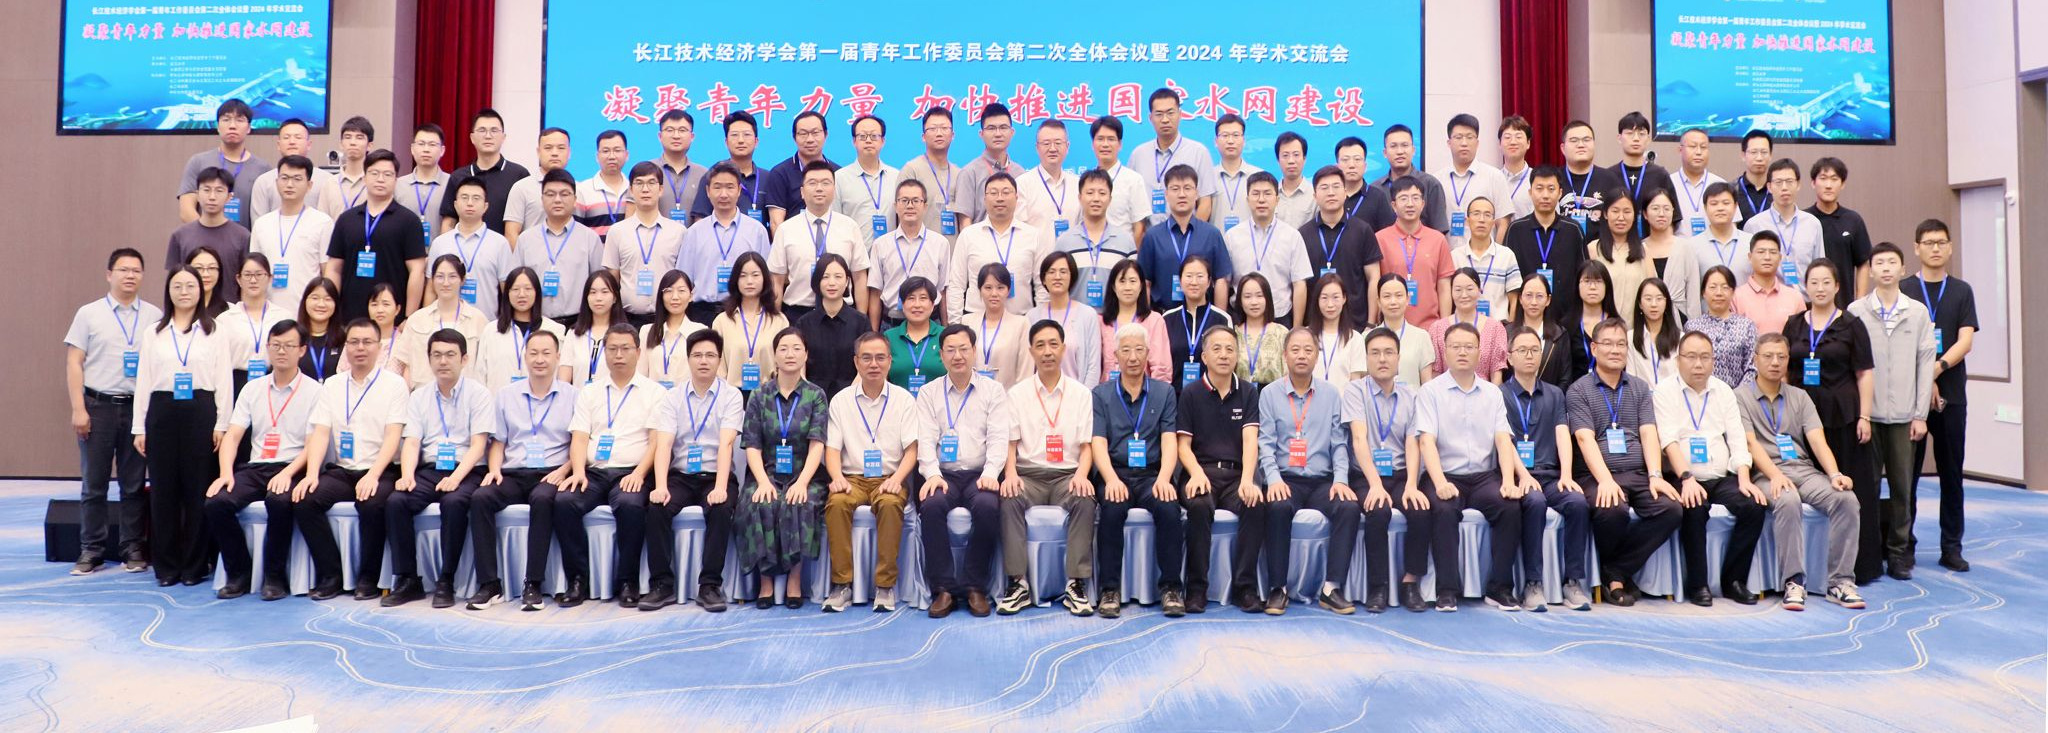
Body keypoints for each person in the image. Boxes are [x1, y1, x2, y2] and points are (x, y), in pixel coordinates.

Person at [1737, 334, 1866, 610]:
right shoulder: (1741, 397)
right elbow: (1750, 444)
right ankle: (1794, 581)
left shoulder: (1800, 396)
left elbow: (1818, 440)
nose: (1775, 362)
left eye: (1781, 357)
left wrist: (1834, 475)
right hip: (1766, 473)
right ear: (1755, 359)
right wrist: (1775, 475)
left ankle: (1840, 582)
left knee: (1846, 499)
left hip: (1803, 470)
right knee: (1788, 499)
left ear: (1788, 360)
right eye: (1768, 356)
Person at [1569, 318, 1682, 606]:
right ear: (1594, 348)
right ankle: (1616, 578)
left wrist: (1655, 475)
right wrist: (1606, 480)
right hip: (1597, 476)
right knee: (1612, 509)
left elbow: (1648, 432)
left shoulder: (1640, 388)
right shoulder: (1579, 390)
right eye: (1608, 343)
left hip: (1637, 472)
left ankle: (1615, 569)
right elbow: (1584, 439)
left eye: (1621, 344)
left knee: (1670, 509)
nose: (1615, 350)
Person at [293, 318, 409, 600]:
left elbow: (394, 435)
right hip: (343, 470)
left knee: (372, 503)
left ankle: (368, 579)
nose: (360, 348)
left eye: (367, 342)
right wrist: (311, 474)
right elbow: (321, 433)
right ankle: (331, 575)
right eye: (354, 342)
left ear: (379, 347)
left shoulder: (394, 385)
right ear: (346, 347)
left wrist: (373, 475)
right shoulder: (333, 385)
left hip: (381, 470)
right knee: (306, 500)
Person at [132, 267, 233, 587]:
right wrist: (139, 427)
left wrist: (222, 422)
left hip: (201, 411)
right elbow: (143, 380)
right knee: (163, 492)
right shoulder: (154, 332)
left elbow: (224, 380)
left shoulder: (214, 330)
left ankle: (194, 566)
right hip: (162, 411)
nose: (184, 291)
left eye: (191, 285)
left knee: (196, 490)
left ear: (200, 291)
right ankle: (166, 566)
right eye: (178, 286)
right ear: (168, 291)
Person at [1780, 261, 1880, 583]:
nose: (1820, 288)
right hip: (1800, 420)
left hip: (1843, 418)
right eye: (1814, 282)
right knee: (1806, 491)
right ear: (1806, 286)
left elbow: (1864, 373)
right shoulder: (1794, 324)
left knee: (1849, 489)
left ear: (1837, 286)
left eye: (1827, 282)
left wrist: (1865, 416)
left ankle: (1859, 566)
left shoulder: (1852, 325)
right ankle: (1809, 567)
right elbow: (1784, 371)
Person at [1415, 323, 1527, 611]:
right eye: (1456, 347)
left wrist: (1508, 480)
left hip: (1482, 476)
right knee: (1443, 509)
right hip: (1444, 473)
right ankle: (1446, 590)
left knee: (1509, 506)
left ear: (1480, 352)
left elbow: (1503, 439)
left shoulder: (1492, 393)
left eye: (1469, 347)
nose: (1462, 352)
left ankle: (1499, 588)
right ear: (1444, 351)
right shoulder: (1430, 392)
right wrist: (1440, 483)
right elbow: (1426, 441)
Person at [65, 249, 162, 575]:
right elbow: (74, 362)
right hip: (98, 406)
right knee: (94, 484)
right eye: (123, 269)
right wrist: (78, 408)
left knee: (133, 484)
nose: (130, 275)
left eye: (136, 270)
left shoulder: (153, 316)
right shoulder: (89, 314)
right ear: (109, 274)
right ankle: (91, 549)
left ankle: (132, 547)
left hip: (137, 408)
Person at [382, 329, 495, 608]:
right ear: (429, 359)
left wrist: (455, 478)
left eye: (450, 355)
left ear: (464, 359)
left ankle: (446, 580)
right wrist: (407, 475)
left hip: (467, 470)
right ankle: (408, 579)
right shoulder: (419, 396)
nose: (443, 361)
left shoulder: (479, 394)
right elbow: (412, 442)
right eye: (437, 355)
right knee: (397, 501)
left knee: (454, 502)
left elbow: (479, 445)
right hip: (430, 469)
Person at [204, 320, 316, 599]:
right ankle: (239, 572)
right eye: (276, 345)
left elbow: (313, 445)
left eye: (289, 345)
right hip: (257, 467)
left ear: (302, 350)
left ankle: (274, 577)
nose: (282, 351)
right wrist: (226, 473)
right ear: (267, 347)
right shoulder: (253, 389)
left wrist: (288, 473)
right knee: (216, 502)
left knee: (279, 501)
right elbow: (233, 436)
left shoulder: (315, 391)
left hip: (293, 466)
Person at [557, 324, 666, 606]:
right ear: (604, 352)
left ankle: (627, 581)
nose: (618, 355)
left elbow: (656, 441)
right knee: (564, 501)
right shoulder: (590, 392)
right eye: (612, 349)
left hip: (632, 471)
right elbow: (580, 437)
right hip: (594, 472)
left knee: (630, 505)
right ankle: (577, 580)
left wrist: (640, 473)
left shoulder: (654, 392)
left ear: (638, 352)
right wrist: (578, 472)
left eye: (625, 348)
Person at [1656, 331, 1767, 606]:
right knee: (1694, 506)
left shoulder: (1723, 390)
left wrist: (1744, 477)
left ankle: (1734, 581)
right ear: (1678, 360)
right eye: (1691, 357)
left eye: (1705, 357)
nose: (1698, 364)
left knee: (1754, 505)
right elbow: (1668, 440)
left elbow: (1738, 438)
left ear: (1713, 360)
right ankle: (1698, 585)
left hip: (1720, 476)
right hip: (1683, 475)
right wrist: (1686, 478)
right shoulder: (1665, 390)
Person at [470, 329, 577, 611]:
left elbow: (580, 444)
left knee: (542, 499)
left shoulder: (573, 395)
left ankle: (534, 583)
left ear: (557, 357)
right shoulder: (506, 395)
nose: (540, 359)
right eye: (534, 353)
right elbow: (499, 442)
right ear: (524, 356)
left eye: (546, 353)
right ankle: (489, 584)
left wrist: (565, 469)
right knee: (480, 498)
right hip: (513, 472)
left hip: (552, 471)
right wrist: (494, 470)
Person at [1257, 327, 1363, 613]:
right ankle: (1278, 588)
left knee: (1349, 507)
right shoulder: (1269, 394)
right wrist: (1273, 479)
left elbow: (1339, 444)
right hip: (1285, 478)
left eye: (1308, 350)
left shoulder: (1331, 394)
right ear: (1285, 355)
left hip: (1321, 481)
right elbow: (1265, 444)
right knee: (1277, 506)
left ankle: (1331, 588)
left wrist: (1341, 480)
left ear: (1317, 356)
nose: (1301, 355)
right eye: (1295, 350)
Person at [1848, 243, 1937, 581]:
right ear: (1870, 270)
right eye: (1879, 263)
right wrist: (1860, 414)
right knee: (1867, 488)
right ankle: (1869, 553)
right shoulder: (1856, 311)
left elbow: (1925, 365)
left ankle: (1899, 552)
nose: (1885, 268)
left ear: (1902, 269)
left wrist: (1920, 414)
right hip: (1868, 417)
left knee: (1902, 488)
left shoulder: (1917, 312)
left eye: (1892, 262)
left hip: (1904, 416)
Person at [1000, 321, 1100, 615]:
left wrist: (1082, 475)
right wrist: (1010, 474)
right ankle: (1018, 583)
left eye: (1053, 344)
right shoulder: (1017, 394)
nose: (1047, 352)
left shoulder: (1081, 393)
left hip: (1067, 475)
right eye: (1040, 345)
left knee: (1085, 498)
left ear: (1064, 349)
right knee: (1008, 497)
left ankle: (1076, 584)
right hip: (1028, 475)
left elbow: (1086, 446)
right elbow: (1011, 443)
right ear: (1031, 351)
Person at [640, 330, 744, 612]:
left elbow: (727, 444)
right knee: (656, 507)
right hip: (681, 476)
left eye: (710, 355)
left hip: (716, 475)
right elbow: (664, 444)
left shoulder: (731, 396)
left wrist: (720, 487)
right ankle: (662, 585)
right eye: (697, 355)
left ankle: (709, 586)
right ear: (688, 359)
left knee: (721, 509)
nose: (703, 361)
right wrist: (660, 486)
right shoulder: (672, 397)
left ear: (719, 359)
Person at [911, 325, 1010, 618]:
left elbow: (998, 437)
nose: (958, 356)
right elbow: (925, 439)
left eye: (964, 349)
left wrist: (991, 472)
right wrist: (931, 474)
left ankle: (975, 586)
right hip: (944, 474)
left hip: (981, 472)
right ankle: (943, 588)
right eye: (951, 350)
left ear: (974, 351)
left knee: (988, 506)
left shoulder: (993, 390)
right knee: (932, 506)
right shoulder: (928, 392)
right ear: (941, 355)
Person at [1091, 324, 1189, 618]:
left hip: (1151, 475)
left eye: (1138, 350)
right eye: (1126, 350)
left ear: (1147, 353)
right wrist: (1110, 479)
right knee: (1111, 510)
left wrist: (1164, 479)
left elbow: (1169, 440)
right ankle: (1109, 590)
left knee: (1169, 508)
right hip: (1116, 472)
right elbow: (1098, 443)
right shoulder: (1101, 394)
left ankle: (1171, 588)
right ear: (1115, 355)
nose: (1132, 357)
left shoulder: (1164, 392)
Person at [820, 332, 917, 613]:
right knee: (837, 503)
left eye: (880, 358)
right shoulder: (841, 401)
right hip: (851, 479)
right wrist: (836, 478)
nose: (873, 364)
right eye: (866, 358)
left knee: (889, 504)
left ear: (890, 361)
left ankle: (885, 586)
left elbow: (912, 450)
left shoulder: (903, 399)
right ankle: (842, 585)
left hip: (889, 477)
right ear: (856, 362)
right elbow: (832, 449)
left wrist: (897, 480)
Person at [1901, 220, 1977, 572]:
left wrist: (1935, 369)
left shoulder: (1961, 291)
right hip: (1908, 397)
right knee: (1906, 476)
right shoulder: (1904, 290)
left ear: (1950, 247)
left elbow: (1965, 341)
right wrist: (1923, 377)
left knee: (1951, 473)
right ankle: (1904, 546)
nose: (1935, 248)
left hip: (1951, 394)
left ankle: (1951, 546)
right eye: (1928, 242)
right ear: (1916, 247)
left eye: (1941, 242)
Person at [737, 329, 830, 608]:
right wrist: (763, 481)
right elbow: (752, 445)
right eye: (784, 349)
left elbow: (817, 444)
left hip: (805, 474)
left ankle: (794, 579)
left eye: (796, 348)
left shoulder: (816, 395)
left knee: (801, 502)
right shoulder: (759, 395)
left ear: (806, 355)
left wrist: (802, 482)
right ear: (775, 356)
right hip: (766, 472)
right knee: (759, 502)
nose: (790, 354)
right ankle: (765, 582)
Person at [1503, 326, 1593, 610]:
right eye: (1522, 350)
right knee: (1535, 502)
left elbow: (1562, 433)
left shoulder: (1555, 394)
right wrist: (1523, 475)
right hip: (1519, 476)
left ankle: (1573, 582)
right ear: (1509, 357)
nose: (1529, 356)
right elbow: (1504, 441)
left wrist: (1566, 474)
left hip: (1551, 475)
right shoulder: (1500, 395)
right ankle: (1533, 583)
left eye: (1534, 350)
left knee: (1577, 502)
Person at [1176, 324, 1263, 614]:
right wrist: (1196, 473)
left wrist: (1248, 479)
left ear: (1237, 355)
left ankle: (1245, 588)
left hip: (1237, 474)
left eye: (1230, 349)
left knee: (1255, 503)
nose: (1224, 355)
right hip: (1201, 471)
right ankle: (1196, 589)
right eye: (1217, 349)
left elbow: (1250, 440)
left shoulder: (1248, 392)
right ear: (1204, 356)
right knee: (1199, 505)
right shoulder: (1190, 393)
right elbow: (1183, 445)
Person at [1341, 327, 1416, 612]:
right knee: (1378, 510)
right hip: (1365, 475)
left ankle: (1410, 583)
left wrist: (1412, 484)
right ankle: (1378, 587)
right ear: (1366, 358)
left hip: (1400, 473)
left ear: (1398, 358)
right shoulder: (1355, 391)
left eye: (1388, 353)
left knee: (1420, 508)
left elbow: (1413, 443)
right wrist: (1375, 484)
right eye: (1375, 353)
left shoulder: (1411, 395)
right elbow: (1358, 439)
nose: (1382, 359)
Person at [325, 149, 428, 321]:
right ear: (364, 178)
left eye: (387, 174)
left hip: (393, 318)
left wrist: (409, 317)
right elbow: (334, 268)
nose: (380, 179)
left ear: (396, 180)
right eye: (374, 173)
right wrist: (332, 311)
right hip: (349, 316)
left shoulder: (409, 221)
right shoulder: (346, 219)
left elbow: (417, 271)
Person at [771, 160, 871, 322]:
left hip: (842, 315)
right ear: (802, 192)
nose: (819, 188)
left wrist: (861, 320)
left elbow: (859, 277)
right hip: (798, 314)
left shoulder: (849, 226)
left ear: (834, 190)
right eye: (812, 183)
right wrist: (775, 323)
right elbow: (777, 280)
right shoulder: (786, 229)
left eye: (825, 183)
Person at [678, 163, 773, 325]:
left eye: (730, 187)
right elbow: (684, 278)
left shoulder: (757, 231)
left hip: (744, 312)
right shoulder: (694, 232)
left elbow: (766, 278)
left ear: (739, 190)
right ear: (708, 191)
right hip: (702, 314)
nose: (723, 194)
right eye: (717, 187)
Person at [948, 173, 1045, 321]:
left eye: (1006, 192)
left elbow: (1041, 285)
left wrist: (1041, 322)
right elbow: (956, 284)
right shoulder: (968, 235)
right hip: (976, 321)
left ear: (1016, 197)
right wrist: (956, 323)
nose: (1000, 198)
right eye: (993, 193)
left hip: (1021, 320)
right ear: (984, 199)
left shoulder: (1033, 235)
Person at [514, 169, 606, 323]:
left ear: (575, 199)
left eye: (564, 194)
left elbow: (600, 284)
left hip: (578, 323)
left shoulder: (590, 238)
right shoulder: (525, 240)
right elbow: (515, 284)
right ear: (542, 199)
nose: (557, 200)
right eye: (550, 194)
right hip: (537, 322)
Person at [1301, 164, 1386, 326]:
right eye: (1324, 188)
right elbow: (1300, 283)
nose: (1331, 192)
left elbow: (1374, 277)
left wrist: (1370, 323)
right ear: (1315, 196)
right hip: (1314, 326)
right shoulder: (1303, 234)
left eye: (1336, 186)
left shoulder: (1363, 230)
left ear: (1345, 192)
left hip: (1356, 324)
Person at [251, 155, 337, 314]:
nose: (289, 184)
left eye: (297, 179)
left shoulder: (322, 223)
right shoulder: (262, 224)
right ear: (276, 182)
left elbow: (327, 272)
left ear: (309, 185)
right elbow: (254, 271)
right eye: (284, 178)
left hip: (307, 313)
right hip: (268, 314)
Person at [603, 162, 686, 326]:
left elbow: (683, 279)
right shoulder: (617, 231)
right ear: (631, 190)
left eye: (651, 183)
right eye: (639, 183)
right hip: (628, 320)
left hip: (668, 319)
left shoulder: (678, 232)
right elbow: (612, 279)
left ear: (660, 190)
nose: (645, 189)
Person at [1224, 172, 1312, 325]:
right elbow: (1224, 282)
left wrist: (1296, 327)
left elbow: (1299, 284)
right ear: (1247, 200)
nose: (1261, 199)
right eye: (1256, 194)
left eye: (1267, 193)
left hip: (1280, 317)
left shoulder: (1292, 236)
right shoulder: (1232, 236)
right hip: (1241, 318)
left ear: (1277, 199)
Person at [1503, 167, 1590, 317]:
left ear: (1560, 193)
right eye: (1539, 189)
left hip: (1566, 318)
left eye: (1551, 189)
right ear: (1530, 192)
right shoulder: (1516, 230)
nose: (1545, 195)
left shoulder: (1573, 229)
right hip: (1525, 318)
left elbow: (1584, 274)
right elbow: (1508, 278)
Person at [395, 256, 491, 389]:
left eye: (452, 276)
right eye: (440, 277)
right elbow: (406, 365)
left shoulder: (478, 319)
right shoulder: (416, 319)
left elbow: (486, 366)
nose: (446, 283)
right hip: (424, 394)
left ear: (462, 280)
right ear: (432, 280)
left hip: (466, 396)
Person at [428, 177, 515, 317]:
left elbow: (507, 289)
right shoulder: (440, 243)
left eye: (476, 198)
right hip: (445, 324)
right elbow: (431, 289)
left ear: (485, 206)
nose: (470, 203)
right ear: (455, 205)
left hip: (485, 324)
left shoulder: (499, 243)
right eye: (464, 198)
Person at [870, 179, 951, 327]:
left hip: (930, 323)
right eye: (904, 200)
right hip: (892, 323)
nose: (910, 206)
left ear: (925, 206)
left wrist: (946, 330)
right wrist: (874, 334)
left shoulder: (940, 243)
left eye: (916, 201)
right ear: (895, 206)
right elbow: (876, 293)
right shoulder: (880, 244)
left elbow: (943, 291)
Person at [1377, 177, 1456, 328]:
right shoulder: (1380, 239)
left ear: (1423, 204)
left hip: (1430, 327)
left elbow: (1444, 287)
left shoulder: (1438, 239)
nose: (1410, 204)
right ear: (1393, 205)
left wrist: (1444, 326)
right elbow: (1375, 284)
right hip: (1391, 328)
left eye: (1415, 198)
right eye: (1403, 198)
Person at [1131, 89, 1218, 225]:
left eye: (1170, 113)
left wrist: (1190, 234)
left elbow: (1205, 203)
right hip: (1148, 235)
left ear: (1180, 114)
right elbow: (1133, 204)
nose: (1165, 120)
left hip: (1186, 234)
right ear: (1150, 118)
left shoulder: (1198, 152)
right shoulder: (1138, 155)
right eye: (1159, 114)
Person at [439, 108, 530, 236]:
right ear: (472, 138)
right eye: (482, 130)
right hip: (464, 247)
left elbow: (527, 223)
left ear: (503, 137)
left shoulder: (519, 175)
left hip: (505, 247)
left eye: (494, 130)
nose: (488, 136)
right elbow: (449, 222)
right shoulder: (458, 177)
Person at [178, 99, 269, 226]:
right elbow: (186, 211)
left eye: (239, 120)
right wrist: (209, 234)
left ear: (248, 128)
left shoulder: (262, 168)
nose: (232, 126)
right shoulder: (198, 162)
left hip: (246, 238)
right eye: (226, 120)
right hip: (205, 238)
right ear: (217, 126)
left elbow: (267, 216)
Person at [168, 168, 252, 304]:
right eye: (206, 190)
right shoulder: (180, 236)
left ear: (229, 197)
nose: (212, 197)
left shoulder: (243, 237)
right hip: (190, 309)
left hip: (229, 311)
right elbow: (173, 280)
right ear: (197, 194)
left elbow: (247, 281)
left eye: (219, 191)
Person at [794, 254, 873, 397]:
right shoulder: (804, 323)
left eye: (838, 277)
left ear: (847, 281)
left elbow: (867, 361)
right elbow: (800, 366)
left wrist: (851, 395)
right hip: (813, 398)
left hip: (853, 396)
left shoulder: (861, 322)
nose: (832, 283)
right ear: (817, 281)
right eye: (825, 277)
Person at [480, 268, 572, 391]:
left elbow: (561, 375)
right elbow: (480, 375)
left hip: (542, 401)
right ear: (507, 293)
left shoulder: (555, 330)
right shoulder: (491, 330)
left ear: (537, 292)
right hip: (499, 401)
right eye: (515, 289)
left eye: (528, 289)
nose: (521, 294)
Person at [1435, 114, 1518, 248]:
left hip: (1485, 257)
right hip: (1448, 257)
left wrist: (1496, 254)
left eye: (1469, 137)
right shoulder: (1437, 180)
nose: (1464, 143)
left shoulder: (1494, 176)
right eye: (1458, 137)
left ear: (1477, 143)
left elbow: (1502, 222)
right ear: (1449, 143)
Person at [708, 253, 787, 393]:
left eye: (755, 275)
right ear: (735, 280)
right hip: (731, 394)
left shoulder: (779, 320)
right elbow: (717, 365)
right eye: (743, 276)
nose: (749, 281)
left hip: (769, 395)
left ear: (765, 279)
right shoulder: (722, 321)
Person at [1742, 159, 1822, 291]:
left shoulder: (1813, 224)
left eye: (1789, 181)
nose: (1784, 187)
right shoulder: (1754, 225)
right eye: (1778, 182)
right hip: (1767, 298)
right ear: (1769, 187)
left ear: (1798, 185)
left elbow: (1819, 268)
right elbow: (1749, 269)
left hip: (1805, 299)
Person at [218, 255, 292, 397]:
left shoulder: (283, 317)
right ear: (238, 279)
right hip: (236, 383)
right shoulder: (225, 320)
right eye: (247, 275)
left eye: (259, 274)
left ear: (270, 278)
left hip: (275, 382)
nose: (253, 280)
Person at [1807, 158, 1874, 308]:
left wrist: (1859, 302)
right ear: (1813, 183)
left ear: (1842, 184)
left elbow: (1863, 263)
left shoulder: (1853, 220)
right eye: (1823, 178)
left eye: (1834, 179)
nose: (1828, 185)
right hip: (1809, 305)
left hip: (1844, 305)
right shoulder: (1804, 220)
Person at [250, 118, 348, 221]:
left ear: (309, 145)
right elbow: (258, 223)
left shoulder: (327, 180)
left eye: (298, 137)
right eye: (286, 137)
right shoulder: (263, 182)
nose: (292, 142)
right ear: (278, 145)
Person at [1026, 252, 1101, 384]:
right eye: (1051, 272)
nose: (1057, 277)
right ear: (1043, 279)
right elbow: (1029, 365)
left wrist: (1085, 394)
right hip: (1041, 393)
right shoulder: (1032, 316)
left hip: (1078, 393)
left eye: (1063, 272)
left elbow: (1093, 366)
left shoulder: (1087, 315)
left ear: (1072, 277)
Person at [761, 111, 840, 235]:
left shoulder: (838, 173)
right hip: (794, 242)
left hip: (832, 240)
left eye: (815, 133)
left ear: (825, 134)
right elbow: (776, 222)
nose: (810, 139)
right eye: (803, 134)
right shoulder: (780, 173)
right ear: (794, 137)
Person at [1161, 257, 1234, 389]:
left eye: (1200, 276)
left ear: (1209, 282)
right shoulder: (1167, 319)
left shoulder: (1222, 319)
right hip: (1174, 394)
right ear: (1180, 281)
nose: (1194, 282)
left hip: (1211, 394)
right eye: (1189, 276)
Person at [950, 104, 1027, 225]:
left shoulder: (1020, 174)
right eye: (991, 128)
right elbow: (965, 222)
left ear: (1012, 132)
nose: (998, 134)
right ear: (981, 134)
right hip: (980, 237)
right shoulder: (970, 173)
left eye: (1003, 127)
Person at [1428, 268, 1509, 380]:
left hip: (1482, 390)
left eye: (1469, 289)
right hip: (1446, 390)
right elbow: (1435, 373)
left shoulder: (1495, 328)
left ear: (1479, 290)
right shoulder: (1437, 328)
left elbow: (1496, 374)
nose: (1464, 295)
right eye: (1458, 290)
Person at [1098, 259, 1172, 382]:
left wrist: (1157, 392)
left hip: (1144, 390)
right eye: (1122, 281)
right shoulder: (1101, 322)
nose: (1127, 287)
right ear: (1113, 287)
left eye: (1132, 281)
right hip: (1107, 390)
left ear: (1141, 286)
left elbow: (1161, 367)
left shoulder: (1154, 320)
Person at [1606, 112, 1677, 238]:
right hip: (1616, 244)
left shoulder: (1660, 175)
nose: (1636, 138)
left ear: (1648, 139)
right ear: (1619, 138)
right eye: (1630, 133)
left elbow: (1673, 218)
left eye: (1641, 134)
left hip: (1652, 244)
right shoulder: (1608, 175)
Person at [1450, 197, 1523, 320]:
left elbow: (1514, 298)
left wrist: (1511, 325)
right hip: (1463, 326)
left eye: (1487, 215)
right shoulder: (1455, 256)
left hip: (1499, 325)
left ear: (1493, 222)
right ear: (1467, 221)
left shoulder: (1506, 255)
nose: (1481, 220)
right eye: (1476, 214)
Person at [689, 111, 766, 224]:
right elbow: (700, 220)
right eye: (734, 135)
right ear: (726, 142)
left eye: (747, 135)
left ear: (756, 142)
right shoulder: (712, 176)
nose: (741, 140)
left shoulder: (768, 178)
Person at [1688, 266, 1759, 388]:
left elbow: (1752, 368)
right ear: (1703, 293)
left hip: (1737, 395)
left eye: (1725, 287)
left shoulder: (1746, 326)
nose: (1719, 293)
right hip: (1699, 394)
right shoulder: (1692, 327)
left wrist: (1735, 395)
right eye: (1713, 287)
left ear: (1733, 292)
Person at [1588, 191, 1653, 323]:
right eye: (1615, 211)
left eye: (1627, 211)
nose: (1621, 217)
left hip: (1635, 328)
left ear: (1634, 216)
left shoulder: (1643, 251)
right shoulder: (1593, 249)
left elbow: (1651, 292)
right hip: (1602, 328)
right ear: (1605, 214)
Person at [963, 264, 1032, 387]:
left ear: (1008, 290)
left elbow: (1025, 372)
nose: (994, 293)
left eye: (1000, 288)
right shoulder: (967, 322)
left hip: (1008, 395)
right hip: (971, 395)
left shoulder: (1021, 324)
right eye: (988, 287)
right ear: (980, 290)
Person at [1088, 115, 1154, 242]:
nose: (1105, 144)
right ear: (1093, 144)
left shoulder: (1133, 180)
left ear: (1120, 144)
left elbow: (1139, 227)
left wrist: (1131, 252)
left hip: (1123, 252)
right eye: (1100, 139)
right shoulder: (1086, 182)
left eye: (1111, 139)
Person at [899, 107, 961, 239]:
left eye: (944, 128)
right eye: (932, 129)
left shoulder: (959, 174)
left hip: (954, 249)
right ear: (923, 137)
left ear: (953, 135)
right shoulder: (912, 170)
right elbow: (901, 215)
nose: (939, 133)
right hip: (920, 248)